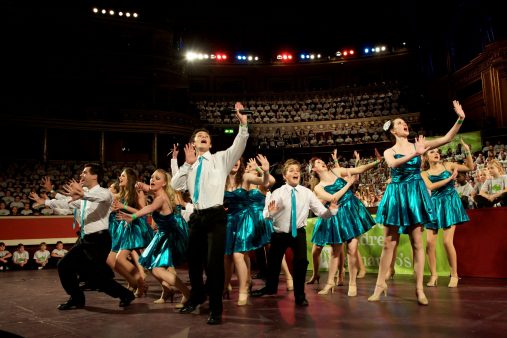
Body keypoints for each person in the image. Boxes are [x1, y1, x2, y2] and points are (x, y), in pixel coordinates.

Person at [369, 100, 466, 306]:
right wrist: (416, 153)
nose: (404, 124)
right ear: (393, 131)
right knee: (389, 243)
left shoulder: (418, 144)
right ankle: (380, 286)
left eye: (405, 122)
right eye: (399, 123)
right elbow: (392, 163)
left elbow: (448, 138)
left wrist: (460, 118)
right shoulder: (390, 150)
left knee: (417, 243)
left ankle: (420, 289)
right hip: (397, 194)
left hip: (414, 194)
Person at [171, 102, 248, 325]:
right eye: (198, 136)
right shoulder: (190, 165)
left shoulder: (221, 159)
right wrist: (186, 165)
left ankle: (216, 308)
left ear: (210, 143)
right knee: (193, 263)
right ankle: (196, 297)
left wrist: (242, 125)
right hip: (197, 217)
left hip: (215, 217)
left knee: (213, 265)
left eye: (206, 135)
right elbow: (176, 185)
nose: (202, 136)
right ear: (193, 144)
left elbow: (239, 145)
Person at [42, 163, 135, 310]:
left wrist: (83, 194)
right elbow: (68, 203)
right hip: (87, 240)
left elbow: (95, 197)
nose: (81, 175)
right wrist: (46, 201)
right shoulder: (84, 195)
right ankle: (78, 298)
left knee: (95, 278)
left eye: (85, 173)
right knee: (67, 266)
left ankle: (125, 295)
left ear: (95, 176)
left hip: (99, 240)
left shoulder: (105, 193)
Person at [250, 159, 338, 306]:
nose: (295, 172)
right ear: (284, 176)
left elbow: (322, 213)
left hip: (298, 233)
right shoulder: (278, 193)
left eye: (297, 170)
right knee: (273, 264)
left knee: (301, 263)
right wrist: (271, 213)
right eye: (291, 170)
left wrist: (332, 211)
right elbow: (266, 214)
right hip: (279, 234)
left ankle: (300, 296)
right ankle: (270, 288)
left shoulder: (307, 193)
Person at [308, 150, 379, 297]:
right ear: (314, 169)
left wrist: (377, 162)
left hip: (352, 209)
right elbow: (333, 198)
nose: (322, 163)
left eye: (322, 161)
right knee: (335, 251)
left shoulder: (336, 171)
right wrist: (349, 184)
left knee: (352, 249)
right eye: (318, 163)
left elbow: (358, 169)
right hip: (338, 214)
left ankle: (352, 283)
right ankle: (330, 283)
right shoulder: (318, 187)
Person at [118, 169, 190, 308]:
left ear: (164, 184)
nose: (152, 180)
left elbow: (149, 208)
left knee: (158, 269)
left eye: (157, 178)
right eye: (151, 177)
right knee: (151, 264)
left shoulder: (160, 198)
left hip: (169, 236)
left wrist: (132, 216)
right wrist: (141, 185)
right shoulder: (156, 192)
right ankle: (170, 291)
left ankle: (187, 293)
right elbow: (147, 188)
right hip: (162, 234)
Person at [421, 138, 474, 288]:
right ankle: (434, 275)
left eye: (437, 151)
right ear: (426, 157)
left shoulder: (448, 165)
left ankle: (454, 274)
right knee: (430, 243)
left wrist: (467, 150)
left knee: (446, 241)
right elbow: (430, 187)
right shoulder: (424, 173)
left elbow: (470, 167)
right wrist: (450, 178)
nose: (436, 153)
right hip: (435, 204)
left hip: (450, 203)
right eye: (432, 152)